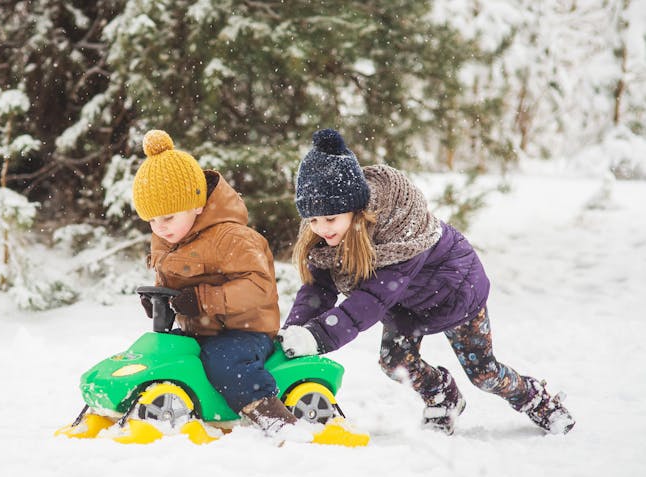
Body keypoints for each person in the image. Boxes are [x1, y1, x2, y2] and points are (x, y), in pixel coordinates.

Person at [277, 128, 575, 435]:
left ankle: (540, 402)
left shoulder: (402, 231)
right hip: (407, 305)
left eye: (330, 220)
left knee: (483, 373)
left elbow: (370, 300)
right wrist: (294, 333)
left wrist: (318, 336)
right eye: (313, 220)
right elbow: (318, 290)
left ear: (357, 211)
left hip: (455, 292)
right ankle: (443, 396)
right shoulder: (327, 235)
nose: (322, 229)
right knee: (394, 362)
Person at [131, 129, 302, 438]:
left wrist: (203, 300)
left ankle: (271, 416)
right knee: (167, 354)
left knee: (224, 361)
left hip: (245, 332)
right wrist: (163, 302)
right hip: (201, 330)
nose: (160, 228)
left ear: (197, 204)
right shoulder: (167, 238)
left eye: (167, 217)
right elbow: (170, 279)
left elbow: (259, 287)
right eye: (152, 221)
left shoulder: (232, 238)